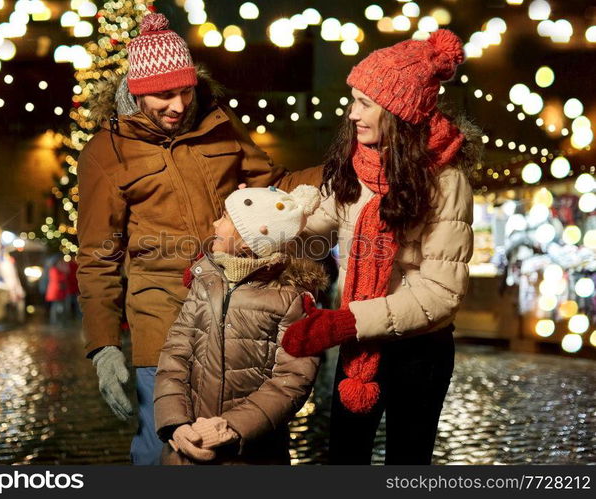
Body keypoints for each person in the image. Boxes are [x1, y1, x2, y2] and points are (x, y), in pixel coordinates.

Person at [76, 12, 323, 465]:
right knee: (163, 446)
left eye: (184, 90)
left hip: (236, 312)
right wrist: (104, 345)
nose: (177, 104)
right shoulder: (105, 153)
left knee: (242, 442)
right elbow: (97, 257)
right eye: (163, 94)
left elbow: (276, 187)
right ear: (135, 91)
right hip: (162, 319)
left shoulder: (219, 127)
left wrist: (342, 170)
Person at [281, 30, 481, 464]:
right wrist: (261, 226)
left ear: (397, 110)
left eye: (364, 103)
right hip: (360, 340)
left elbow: (440, 294)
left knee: (407, 464)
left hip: (419, 351)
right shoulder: (358, 166)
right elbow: (317, 228)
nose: (352, 114)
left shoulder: (446, 183)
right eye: (352, 100)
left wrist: (346, 323)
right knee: (344, 459)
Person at [154, 185, 326, 464]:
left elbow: (293, 379)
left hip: (252, 453)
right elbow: (174, 355)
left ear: (248, 240)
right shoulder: (205, 280)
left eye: (224, 217)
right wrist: (176, 423)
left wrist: (232, 427)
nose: (214, 223)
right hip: (187, 446)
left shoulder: (291, 298)